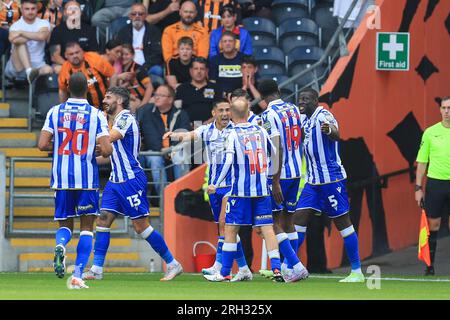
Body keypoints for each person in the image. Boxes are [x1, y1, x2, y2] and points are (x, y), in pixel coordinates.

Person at [82, 86, 183, 281]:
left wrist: (89, 144)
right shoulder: (113, 120)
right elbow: (107, 151)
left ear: (119, 101)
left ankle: (172, 263)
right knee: (103, 219)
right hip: (115, 180)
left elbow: (110, 140)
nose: (105, 100)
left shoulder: (126, 118)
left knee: (141, 226)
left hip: (131, 179)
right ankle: (96, 270)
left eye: (108, 97)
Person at [204, 98, 296, 282]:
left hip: (240, 192)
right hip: (262, 190)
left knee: (230, 229)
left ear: (231, 114)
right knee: (268, 229)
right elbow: (275, 155)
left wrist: (215, 183)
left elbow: (228, 161)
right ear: (248, 113)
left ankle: (224, 273)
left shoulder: (232, 134)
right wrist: (270, 177)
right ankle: (277, 270)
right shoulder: (261, 130)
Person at [37, 72, 113, 289]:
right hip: (86, 178)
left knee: (65, 224)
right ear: (88, 90)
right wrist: (94, 147)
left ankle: (61, 246)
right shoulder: (96, 114)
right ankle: (78, 274)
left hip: (61, 177)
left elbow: (42, 145)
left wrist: (62, 147)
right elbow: (107, 150)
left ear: (68, 88)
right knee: (87, 228)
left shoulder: (55, 111)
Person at [163, 99, 252, 281]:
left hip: (231, 186)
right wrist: (174, 136)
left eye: (228, 110)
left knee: (224, 225)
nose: (225, 113)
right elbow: (190, 135)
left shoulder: (236, 131)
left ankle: (219, 265)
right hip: (213, 187)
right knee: (225, 229)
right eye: (221, 110)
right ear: (214, 113)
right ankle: (243, 268)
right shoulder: (206, 130)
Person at [293, 87, 364, 282]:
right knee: (298, 218)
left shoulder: (323, 115)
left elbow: (335, 133)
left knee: (343, 223)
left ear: (316, 101)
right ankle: (290, 266)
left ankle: (357, 271)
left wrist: (329, 130)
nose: (302, 102)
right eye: (300, 99)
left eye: (306, 99)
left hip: (331, 180)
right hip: (312, 181)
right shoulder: (303, 119)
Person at [258, 79, 308, 280]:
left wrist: (275, 180)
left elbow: (276, 146)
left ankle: (295, 265)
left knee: (270, 221)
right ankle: (290, 268)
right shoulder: (294, 109)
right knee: (289, 220)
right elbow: (302, 134)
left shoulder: (268, 115)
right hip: (297, 171)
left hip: (280, 174)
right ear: (278, 91)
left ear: (262, 98)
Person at [415, 96, 450, 276]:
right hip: (435, 183)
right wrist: (418, 188)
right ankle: (430, 266)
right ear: (440, 110)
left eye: (449, 108)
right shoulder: (430, 132)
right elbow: (422, 162)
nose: (446, 111)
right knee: (433, 225)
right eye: (444, 108)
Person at [138, 84, 192, 195]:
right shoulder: (145, 112)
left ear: (171, 99)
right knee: (155, 159)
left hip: (174, 150)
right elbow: (147, 136)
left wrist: (171, 149)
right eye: (156, 94)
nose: (156, 97)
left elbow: (184, 135)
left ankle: (181, 195)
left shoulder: (181, 114)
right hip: (153, 152)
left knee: (180, 156)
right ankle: (164, 198)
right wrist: (160, 150)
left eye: (161, 95)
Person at [5, 0, 53, 84]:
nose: (30, 12)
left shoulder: (43, 23)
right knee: (20, 44)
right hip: (17, 66)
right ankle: (29, 71)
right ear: (22, 10)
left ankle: (31, 74)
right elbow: (14, 40)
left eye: (33, 9)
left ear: (37, 9)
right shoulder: (15, 26)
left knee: (49, 70)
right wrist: (36, 35)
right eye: (27, 9)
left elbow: (42, 36)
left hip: (37, 64)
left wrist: (21, 33)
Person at [58, 41, 115, 108]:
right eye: (71, 54)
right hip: (80, 110)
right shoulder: (65, 70)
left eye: (77, 52)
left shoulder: (94, 58)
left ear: (83, 52)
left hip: (104, 106)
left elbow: (113, 75)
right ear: (66, 55)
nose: (75, 56)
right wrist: (63, 108)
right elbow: (62, 91)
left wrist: (110, 97)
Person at [116, 3, 164, 79]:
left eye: (140, 14)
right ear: (130, 16)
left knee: (157, 70)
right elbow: (117, 52)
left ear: (146, 15)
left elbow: (157, 54)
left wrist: (142, 69)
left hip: (147, 67)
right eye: (134, 14)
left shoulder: (154, 31)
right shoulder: (122, 32)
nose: (137, 16)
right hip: (127, 67)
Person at [49, 0, 98, 74]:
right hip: (64, 64)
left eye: (76, 9)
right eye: (70, 9)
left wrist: (83, 67)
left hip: (86, 65)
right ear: (64, 12)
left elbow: (94, 53)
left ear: (81, 12)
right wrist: (71, 67)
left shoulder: (90, 30)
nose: (73, 11)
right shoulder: (57, 30)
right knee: (57, 69)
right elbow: (55, 56)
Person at [175, 57, 220, 124]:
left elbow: (220, 111)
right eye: (196, 69)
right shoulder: (181, 88)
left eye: (202, 69)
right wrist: (186, 123)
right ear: (191, 71)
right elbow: (176, 111)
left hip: (211, 126)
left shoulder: (216, 88)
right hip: (186, 128)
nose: (199, 71)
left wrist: (207, 123)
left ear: (207, 71)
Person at [111, 44, 154, 114]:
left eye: (126, 54)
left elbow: (150, 87)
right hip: (130, 98)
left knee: (130, 106)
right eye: (122, 54)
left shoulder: (138, 69)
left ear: (133, 55)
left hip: (143, 99)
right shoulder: (119, 69)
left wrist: (142, 105)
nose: (123, 57)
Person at [208, 31, 244, 97]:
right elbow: (211, 84)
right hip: (221, 97)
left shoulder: (244, 59)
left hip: (241, 97)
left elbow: (249, 83)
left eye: (230, 41)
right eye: (225, 41)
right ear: (221, 44)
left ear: (235, 43)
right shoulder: (214, 60)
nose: (227, 43)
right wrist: (209, 100)